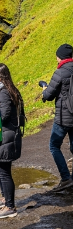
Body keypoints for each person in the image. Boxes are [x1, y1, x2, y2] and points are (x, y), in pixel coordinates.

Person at [0, 63, 24, 219]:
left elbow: (3, 116)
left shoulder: (3, 92)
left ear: (0, 76)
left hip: (5, 137)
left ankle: (10, 207)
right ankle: (5, 198)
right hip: (6, 136)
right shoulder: (5, 89)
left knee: (4, 172)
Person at [41, 43, 73, 193]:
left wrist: (44, 88)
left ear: (59, 57)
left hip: (64, 117)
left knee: (54, 146)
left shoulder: (60, 72)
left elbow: (48, 96)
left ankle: (66, 178)